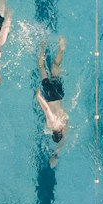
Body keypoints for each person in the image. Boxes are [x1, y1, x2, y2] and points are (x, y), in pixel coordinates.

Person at [36, 37, 68, 165]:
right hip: (50, 96)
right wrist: (38, 96)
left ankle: (61, 49)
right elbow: (46, 109)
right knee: (41, 67)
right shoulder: (52, 124)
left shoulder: (64, 125)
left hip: (60, 95)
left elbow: (62, 143)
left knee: (55, 67)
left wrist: (55, 155)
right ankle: (43, 47)